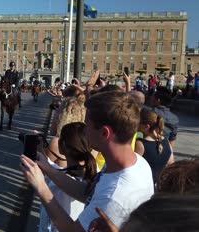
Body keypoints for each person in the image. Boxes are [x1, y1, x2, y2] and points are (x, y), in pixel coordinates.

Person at [21, 91, 154, 231]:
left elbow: (72, 230)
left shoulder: (114, 196)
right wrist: (48, 168)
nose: (84, 132)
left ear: (104, 133)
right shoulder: (136, 162)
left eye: (87, 126)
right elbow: (88, 194)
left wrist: (41, 187)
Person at [38, 122, 97, 232]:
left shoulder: (62, 189)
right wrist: (41, 152)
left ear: (62, 146)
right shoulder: (94, 172)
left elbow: (51, 225)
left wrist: (39, 184)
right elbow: (58, 172)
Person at [135, 109, 174, 183]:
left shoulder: (140, 144)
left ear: (146, 127)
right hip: (157, 183)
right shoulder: (166, 141)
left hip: (143, 183)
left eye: (138, 122)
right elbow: (171, 163)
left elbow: (133, 168)